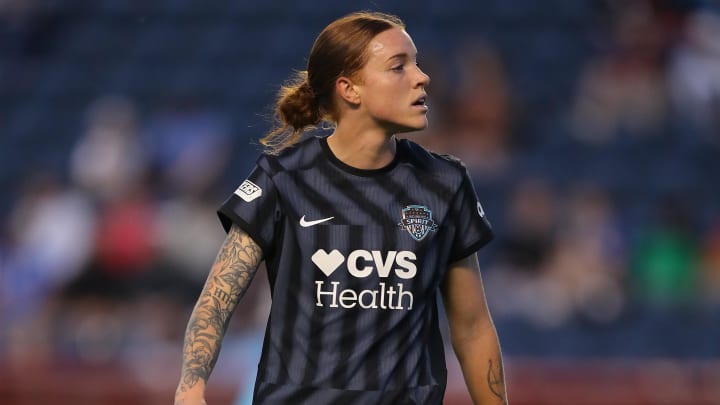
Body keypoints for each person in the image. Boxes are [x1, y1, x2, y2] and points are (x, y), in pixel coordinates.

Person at [175, 11, 507, 405]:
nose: (422, 77)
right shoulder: (284, 178)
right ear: (350, 90)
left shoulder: (445, 184)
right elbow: (217, 299)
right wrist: (190, 390)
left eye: (416, 64)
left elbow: (471, 328)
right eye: (399, 66)